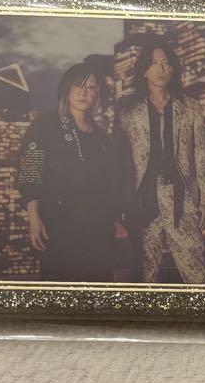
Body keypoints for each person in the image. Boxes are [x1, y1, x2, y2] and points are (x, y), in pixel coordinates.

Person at [17, 64, 133, 282]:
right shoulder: (44, 126)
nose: (83, 93)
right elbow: (30, 173)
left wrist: (117, 221)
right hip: (58, 227)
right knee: (61, 288)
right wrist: (34, 218)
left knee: (98, 288)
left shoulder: (101, 138)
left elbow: (110, 187)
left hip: (98, 230)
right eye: (78, 86)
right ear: (66, 89)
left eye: (91, 87)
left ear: (98, 94)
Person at [117, 39, 205, 284]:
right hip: (142, 198)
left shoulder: (190, 106)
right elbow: (120, 158)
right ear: (144, 70)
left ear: (173, 69)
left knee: (196, 273)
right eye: (154, 63)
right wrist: (122, 203)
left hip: (182, 196)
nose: (161, 68)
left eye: (166, 62)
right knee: (145, 274)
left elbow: (201, 154)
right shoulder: (127, 107)